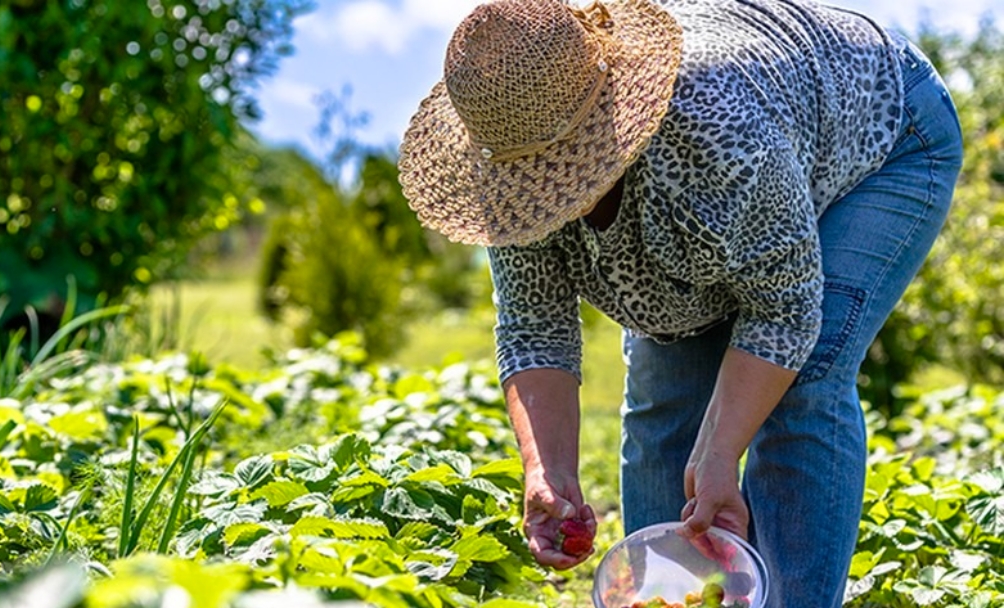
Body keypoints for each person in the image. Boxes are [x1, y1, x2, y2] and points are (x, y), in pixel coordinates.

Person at [396, 0, 963, 606]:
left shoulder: (714, 130)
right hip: (746, 190)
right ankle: (670, 596)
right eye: (535, 176)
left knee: (805, 380)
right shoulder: (515, 171)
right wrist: (548, 472)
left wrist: (721, 452)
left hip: (880, 134)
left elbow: (784, 312)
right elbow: (535, 330)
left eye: (561, 169)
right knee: (664, 409)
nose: (549, 189)